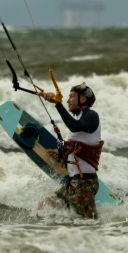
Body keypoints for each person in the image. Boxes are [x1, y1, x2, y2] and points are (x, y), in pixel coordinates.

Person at [39, 82, 103, 220]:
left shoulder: (92, 116)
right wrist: (62, 153)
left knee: (89, 225)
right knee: (45, 206)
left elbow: (74, 126)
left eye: (71, 96)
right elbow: (80, 149)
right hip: (73, 184)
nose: (68, 100)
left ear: (83, 99)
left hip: (84, 185)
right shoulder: (81, 119)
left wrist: (57, 104)